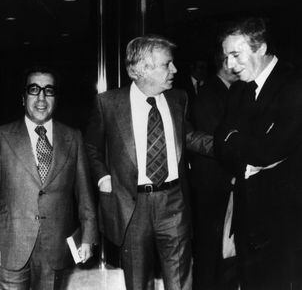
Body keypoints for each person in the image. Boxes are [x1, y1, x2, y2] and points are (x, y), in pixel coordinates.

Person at [85, 35, 212, 290]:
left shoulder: (179, 99)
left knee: (180, 280)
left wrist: (227, 145)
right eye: (167, 64)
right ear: (141, 69)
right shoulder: (109, 103)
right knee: (137, 281)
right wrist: (102, 176)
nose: (175, 70)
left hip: (173, 201)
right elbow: (91, 146)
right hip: (132, 206)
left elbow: (188, 136)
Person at [0, 66, 98, 290]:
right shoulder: (1, 136)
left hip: (56, 248)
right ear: (23, 98)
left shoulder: (73, 137)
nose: (41, 97)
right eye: (34, 90)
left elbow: (84, 193)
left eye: (49, 91)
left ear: (56, 98)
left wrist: (88, 236)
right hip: (9, 246)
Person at [214, 17, 302, 289]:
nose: (229, 65)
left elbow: (273, 148)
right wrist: (252, 147)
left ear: (261, 48)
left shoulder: (294, 84)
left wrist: (238, 140)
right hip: (246, 216)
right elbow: (220, 145)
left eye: (236, 55)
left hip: (286, 219)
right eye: (226, 56)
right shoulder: (239, 90)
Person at [190, 52, 239, 290]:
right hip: (212, 182)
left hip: (221, 180)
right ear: (225, 64)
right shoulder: (210, 94)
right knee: (210, 250)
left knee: (221, 250)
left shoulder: (227, 91)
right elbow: (215, 141)